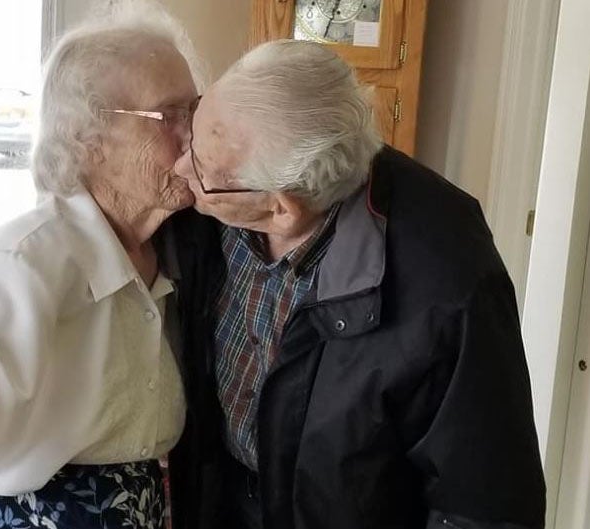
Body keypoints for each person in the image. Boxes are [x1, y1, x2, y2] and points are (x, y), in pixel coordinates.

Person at [169, 39, 546, 529]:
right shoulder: (213, 209)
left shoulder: (450, 283)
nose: (181, 168)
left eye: (200, 168)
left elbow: (484, 504)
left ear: (281, 208)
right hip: (225, 500)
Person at [0, 3, 201, 528]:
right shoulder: (30, 261)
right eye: (170, 116)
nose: (194, 134)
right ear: (88, 141)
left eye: (197, 110)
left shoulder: (174, 245)